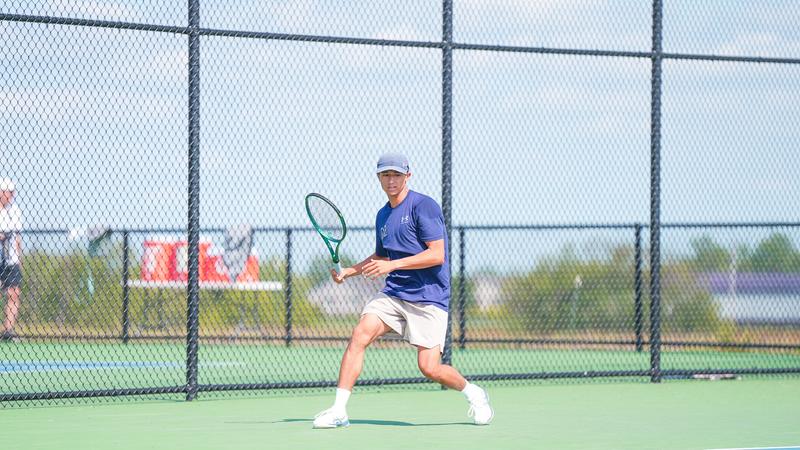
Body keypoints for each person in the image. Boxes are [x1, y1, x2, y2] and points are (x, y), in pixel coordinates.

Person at [312, 153, 493, 428]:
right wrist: (350, 271)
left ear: (408, 176)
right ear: (379, 179)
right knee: (360, 334)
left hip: (429, 297)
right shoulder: (383, 215)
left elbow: (437, 255)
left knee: (429, 367)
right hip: (395, 294)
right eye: (386, 175)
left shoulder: (424, 206)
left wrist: (393, 264)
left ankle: (474, 393)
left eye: (397, 175)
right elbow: (382, 256)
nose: (391, 180)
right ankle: (339, 410)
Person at [0, 178, 23, 342]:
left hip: (11, 259)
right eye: (8, 192)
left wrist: (19, 257)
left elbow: (17, 237)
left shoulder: (15, 210)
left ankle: (8, 331)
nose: (11, 195)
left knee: (14, 293)